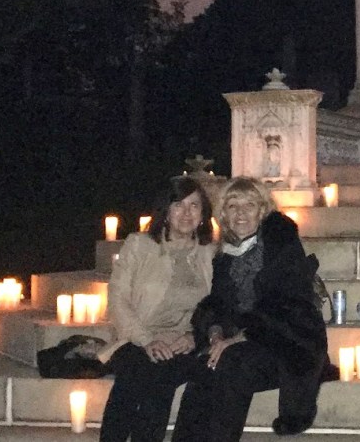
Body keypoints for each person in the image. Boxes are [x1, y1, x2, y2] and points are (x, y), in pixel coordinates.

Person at [174, 177, 328, 441]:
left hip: (289, 343)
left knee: (232, 365)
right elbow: (217, 304)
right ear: (224, 213)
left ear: (262, 210)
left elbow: (290, 307)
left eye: (249, 205)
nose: (241, 213)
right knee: (203, 368)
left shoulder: (280, 243)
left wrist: (237, 338)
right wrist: (215, 333)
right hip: (245, 344)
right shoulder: (225, 254)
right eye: (233, 206)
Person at [98, 178, 215, 442]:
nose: (186, 213)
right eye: (179, 204)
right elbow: (118, 298)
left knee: (161, 374)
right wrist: (147, 340)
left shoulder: (210, 252)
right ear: (166, 210)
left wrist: (195, 337)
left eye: (194, 205)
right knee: (140, 372)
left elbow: (216, 307)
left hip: (185, 342)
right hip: (136, 337)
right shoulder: (139, 245)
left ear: (203, 214)